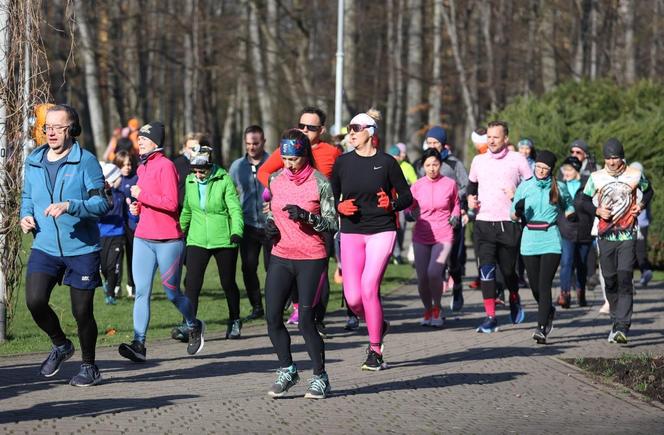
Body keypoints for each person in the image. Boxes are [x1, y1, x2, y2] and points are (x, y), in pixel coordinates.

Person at [20, 104, 111, 386]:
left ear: (72, 130)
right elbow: (27, 196)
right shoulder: (34, 160)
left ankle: (89, 366)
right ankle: (60, 345)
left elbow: (103, 203)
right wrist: (25, 216)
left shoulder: (86, 162)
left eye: (59, 127)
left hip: (81, 249)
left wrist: (72, 206)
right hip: (45, 246)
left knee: (82, 312)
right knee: (35, 301)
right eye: (48, 126)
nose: (51, 132)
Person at [330, 109, 412, 370]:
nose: (350, 133)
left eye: (355, 128)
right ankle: (379, 325)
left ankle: (375, 350)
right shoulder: (342, 163)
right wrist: (339, 207)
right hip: (352, 232)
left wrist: (392, 204)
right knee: (353, 299)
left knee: (368, 288)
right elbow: (330, 199)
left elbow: (407, 197)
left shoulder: (387, 162)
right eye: (349, 128)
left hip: (382, 230)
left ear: (370, 132)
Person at [118, 121, 205, 362]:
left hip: (168, 241)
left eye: (144, 139)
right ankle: (139, 343)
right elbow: (148, 202)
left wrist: (141, 195)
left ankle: (193, 324)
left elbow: (171, 203)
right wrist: (137, 207)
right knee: (142, 292)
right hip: (143, 238)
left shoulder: (166, 166)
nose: (140, 142)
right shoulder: (142, 167)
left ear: (156, 142)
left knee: (172, 293)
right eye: (139, 139)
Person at [263, 129, 337, 399]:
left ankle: (320, 377)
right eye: (284, 158)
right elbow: (272, 215)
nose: (288, 164)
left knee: (306, 321)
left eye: (293, 158)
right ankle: (287, 369)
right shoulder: (275, 180)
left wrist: (307, 216)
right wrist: (270, 228)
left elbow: (332, 223)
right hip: (281, 255)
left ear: (305, 155)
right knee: (272, 317)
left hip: (311, 259)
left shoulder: (320, 182)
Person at [258, 107, 342, 333]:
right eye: (301, 125)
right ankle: (299, 310)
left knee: (319, 274)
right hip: (288, 223)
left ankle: (317, 320)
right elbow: (264, 172)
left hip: (319, 220)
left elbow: (342, 180)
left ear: (321, 130)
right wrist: (277, 194)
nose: (304, 130)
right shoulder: (287, 149)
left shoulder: (332, 152)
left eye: (311, 127)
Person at [580, 139, 653, 344]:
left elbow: (648, 191)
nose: (612, 162)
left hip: (627, 234)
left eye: (615, 158)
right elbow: (583, 200)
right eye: (608, 158)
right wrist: (597, 210)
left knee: (624, 277)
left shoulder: (635, 174)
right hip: (605, 236)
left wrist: (641, 205)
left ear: (622, 157)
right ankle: (616, 318)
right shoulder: (596, 177)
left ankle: (623, 325)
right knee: (610, 280)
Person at [467, 120, 533, 333]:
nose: (492, 140)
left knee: (507, 271)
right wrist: (470, 200)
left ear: (506, 138)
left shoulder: (517, 159)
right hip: (484, 223)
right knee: (486, 270)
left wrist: (518, 195)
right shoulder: (478, 160)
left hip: (508, 223)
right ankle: (490, 317)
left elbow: (532, 187)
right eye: (489, 136)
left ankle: (514, 297)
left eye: (496, 137)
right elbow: (471, 187)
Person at [178, 144, 245, 339]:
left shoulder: (224, 179)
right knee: (191, 283)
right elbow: (187, 211)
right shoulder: (190, 181)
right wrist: (178, 232)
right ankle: (188, 325)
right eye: (195, 170)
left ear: (210, 166)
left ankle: (234, 320)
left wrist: (237, 232)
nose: (198, 174)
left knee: (227, 283)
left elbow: (234, 209)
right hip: (197, 239)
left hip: (224, 239)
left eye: (202, 170)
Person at [511, 151, 574, 344]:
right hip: (529, 239)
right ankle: (549, 311)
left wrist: (571, 214)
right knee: (535, 287)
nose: (540, 171)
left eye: (545, 169)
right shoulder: (525, 186)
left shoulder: (559, 187)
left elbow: (569, 205)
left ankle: (541, 328)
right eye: (538, 167)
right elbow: (512, 215)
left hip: (550, 240)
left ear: (550, 170)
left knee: (545, 285)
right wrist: (518, 211)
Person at [409, 148, 460, 327]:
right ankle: (427, 309)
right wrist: (409, 212)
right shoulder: (417, 186)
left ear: (441, 165)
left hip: (443, 233)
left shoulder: (449, 184)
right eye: (428, 165)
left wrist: (456, 215)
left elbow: (456, 204)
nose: (432, 168)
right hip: (422, 234)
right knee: (422, 277)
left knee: (433, 272)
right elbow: (410, 206)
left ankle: (437, 307)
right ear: (423, 167)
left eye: (435, 164)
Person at [229, 125, 272, 321]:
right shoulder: (237, 166)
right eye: (248, 144)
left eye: (255, 143)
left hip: (272, 224)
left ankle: (276, 305)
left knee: (273, 268)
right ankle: (257, 306)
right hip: (248, 225)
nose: (252, 147)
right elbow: (230, 193)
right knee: (248, 267)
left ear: (263, 142)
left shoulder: (273, 163)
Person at [557, 156, 594, 307]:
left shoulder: (587, 184)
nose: (565, 173)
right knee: (566, 262)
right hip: (566, 230)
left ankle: (581, 292)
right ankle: (565, 294)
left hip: (585, 230)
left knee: (582, 264)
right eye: (564, 169)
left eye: (569, 170)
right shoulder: (559, 185)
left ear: (577, 170)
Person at [98, 162, 126, 305]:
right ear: (113, 179)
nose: (121, 179)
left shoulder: (121, 195)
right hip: (102, 235)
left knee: (112, 265)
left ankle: (110, 295)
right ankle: (107, 283)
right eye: (119, 177)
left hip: (118, 235)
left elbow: (127, 214)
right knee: (103, 266)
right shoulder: (101, 196)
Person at [387, 144, 417, 265]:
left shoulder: (407, 167)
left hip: (402, 203)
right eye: (393, 156)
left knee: (401, 227)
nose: (396, 158)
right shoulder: (386, 166)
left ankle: (397, 252)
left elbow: (415, 183)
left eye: (397, 156)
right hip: (389, 202)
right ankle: (395, 254)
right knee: (392, 227)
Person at [114, 150, 139, 298]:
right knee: (117, 256)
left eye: (129, 164)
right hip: (117, 225)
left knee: (132, 255)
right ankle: (116, 285)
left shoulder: (136, 178)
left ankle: (132, 284)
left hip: (132, 225)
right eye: (123, 165)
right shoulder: (114, 180)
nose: (127, 167)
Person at [629, 162, 654, 287]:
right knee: (636, 251)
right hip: (636, 223)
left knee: (637, 251)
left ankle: (645, 272)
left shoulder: (642, 185)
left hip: (640, 223)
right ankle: (644, 272)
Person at [173, 132, 208, 210]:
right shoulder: (176, 164)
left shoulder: (208, 166)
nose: (193, 151)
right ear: (184, 147)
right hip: (182, 209)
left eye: (196, 148)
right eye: (190, 148)